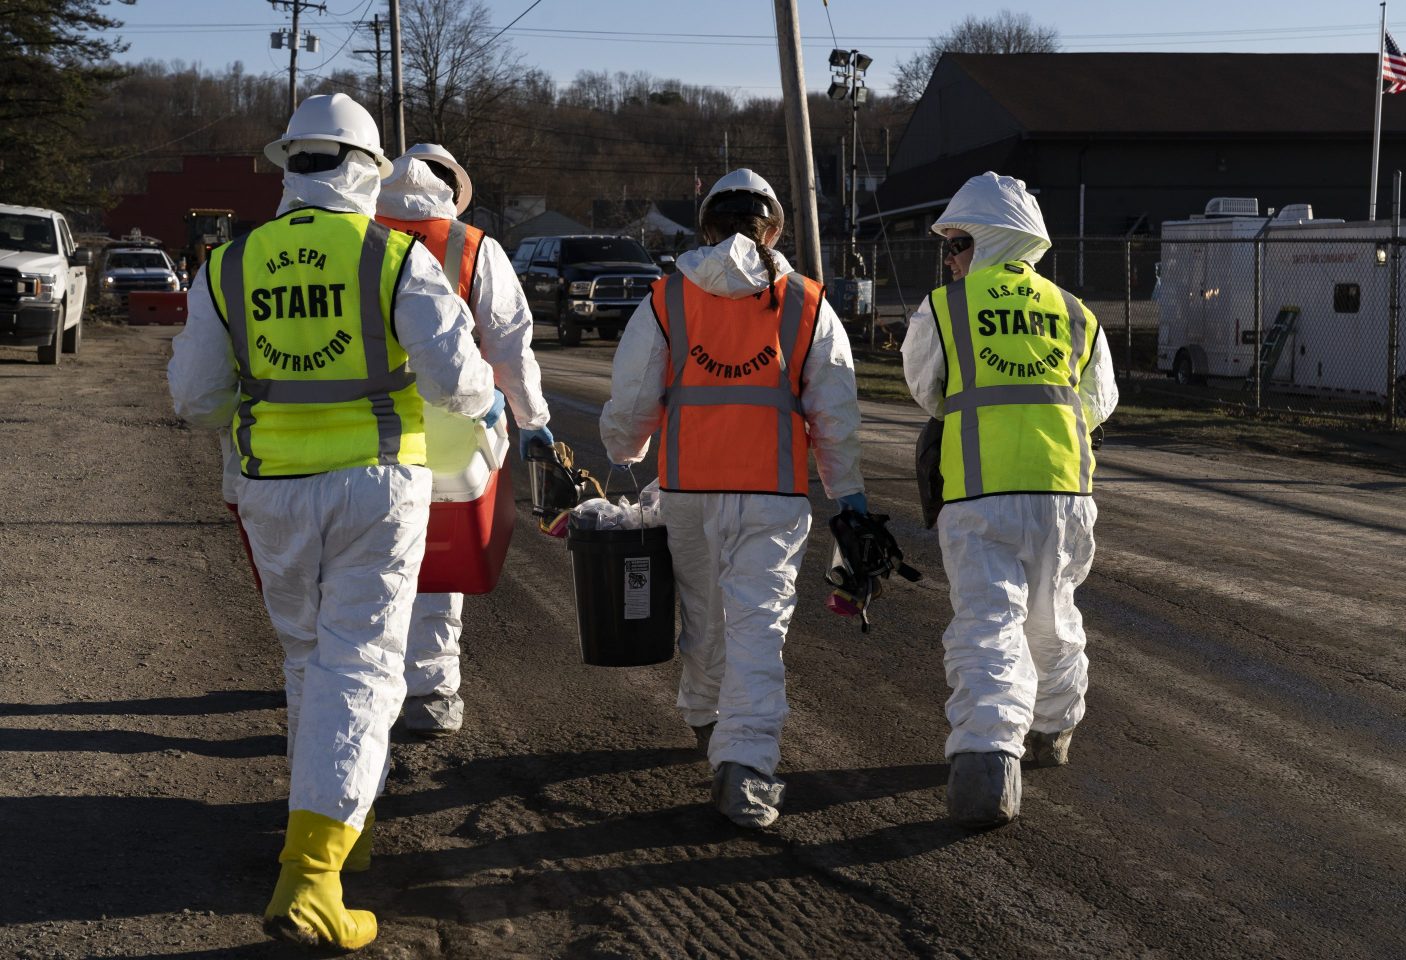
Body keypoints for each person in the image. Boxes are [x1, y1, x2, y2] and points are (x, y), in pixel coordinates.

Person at [167, 93, 500, 951]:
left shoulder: (230, 264)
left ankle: (335, 814)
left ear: (291, 167)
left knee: (310, 657)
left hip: (273, 489)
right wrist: (488, 408)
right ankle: (314, 874)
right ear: (367, 165)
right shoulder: (391, 257)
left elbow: (195, 397)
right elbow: (459, 385)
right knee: (363, 662)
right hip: (375, 489)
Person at [600, 168, 865, 829]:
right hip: (772, 495)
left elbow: (634, 396)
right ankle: (744, 765)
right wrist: (849, 495)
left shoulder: (668, 298)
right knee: (756, 628)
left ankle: (702, 715)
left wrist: (623, 451)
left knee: (702, 613)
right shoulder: (806, 301)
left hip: (688, 488)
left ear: (707, 228)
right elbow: (834, 410)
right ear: (773, 229)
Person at [901, 172, 1118, 829]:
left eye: (958, 243)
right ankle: (1054, 729)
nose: (951, 258)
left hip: (980, 493)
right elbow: (1097, 403)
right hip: (1064, 491)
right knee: (1053, 616)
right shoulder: (1077, 313)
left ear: (991, 240)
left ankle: (988, 763)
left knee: (990, 622)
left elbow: (926, 389)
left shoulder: (945, 308)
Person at [375, 143, 552, 738]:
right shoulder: (470, 246)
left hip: (360, 425)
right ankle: (428, 689)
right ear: (453, 190)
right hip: (453, 431)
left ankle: (362, 679)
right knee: (437, 562)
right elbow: (507, 345)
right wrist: (531, 419)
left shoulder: (355, 232)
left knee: (365, 560)